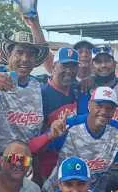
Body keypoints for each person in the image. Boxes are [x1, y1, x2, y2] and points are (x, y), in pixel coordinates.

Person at [33, 87, 118, 192]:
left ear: (114, 111)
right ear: (89, 105)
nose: (104, 111)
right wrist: (50, 136)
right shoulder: (70, 125)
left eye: (109, 108)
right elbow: (34, 149)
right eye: (99, 106)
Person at [0, 31, 49, 157]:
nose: (25, 59)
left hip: (25, 160)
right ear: (9, 55)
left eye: (31, 54)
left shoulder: (38, 85)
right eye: (19, 53)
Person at [38, 48, 80, 181]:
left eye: (73, 66)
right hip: (48, 164)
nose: (69, 70)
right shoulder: (41, 94)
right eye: (65, 65)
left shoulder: (78, 89)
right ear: (54, 66)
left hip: (74, 161)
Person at [76, 46, 118, 124]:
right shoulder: (84, 88)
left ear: (114, 64)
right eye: (98, 62)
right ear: (92, 66)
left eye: (107, 61)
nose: (103, 65)